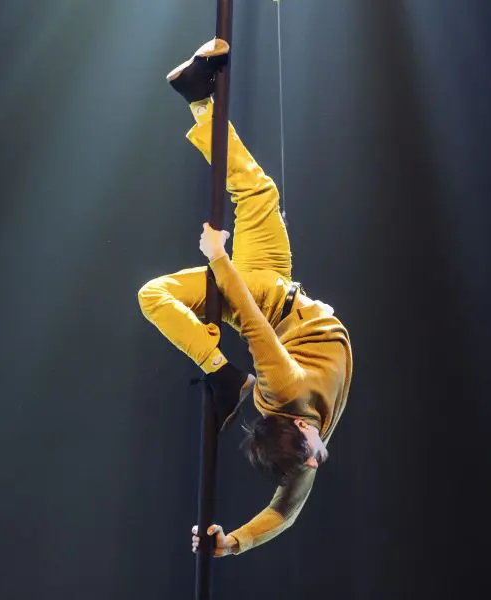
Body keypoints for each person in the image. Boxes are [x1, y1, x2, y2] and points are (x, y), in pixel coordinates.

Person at [137, 38, 354, 556]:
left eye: (308, 455)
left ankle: (221, 371)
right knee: (260, 195)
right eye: (311, 460)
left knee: (154, 294)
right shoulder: (303, 442)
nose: (316, 461)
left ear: (299, 428)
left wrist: (218, 257)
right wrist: (231, 543)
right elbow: (287, 509)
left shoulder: (283, 392)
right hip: (279, 293)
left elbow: (254, 320)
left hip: (266, 300)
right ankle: (198, 99)